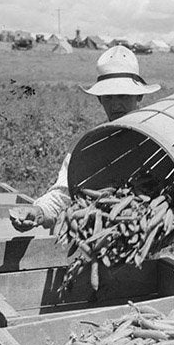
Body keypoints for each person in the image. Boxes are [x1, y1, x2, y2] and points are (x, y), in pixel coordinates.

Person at [10, 45, 161, 231]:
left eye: (123, 96)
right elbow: (63, 193)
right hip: (98, 236)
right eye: (108, 97)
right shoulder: (88, 145)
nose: (115, 105)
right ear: (100, 99)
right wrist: (39, 212)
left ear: (139, 96)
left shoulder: (158, 140)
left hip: (148, 233)